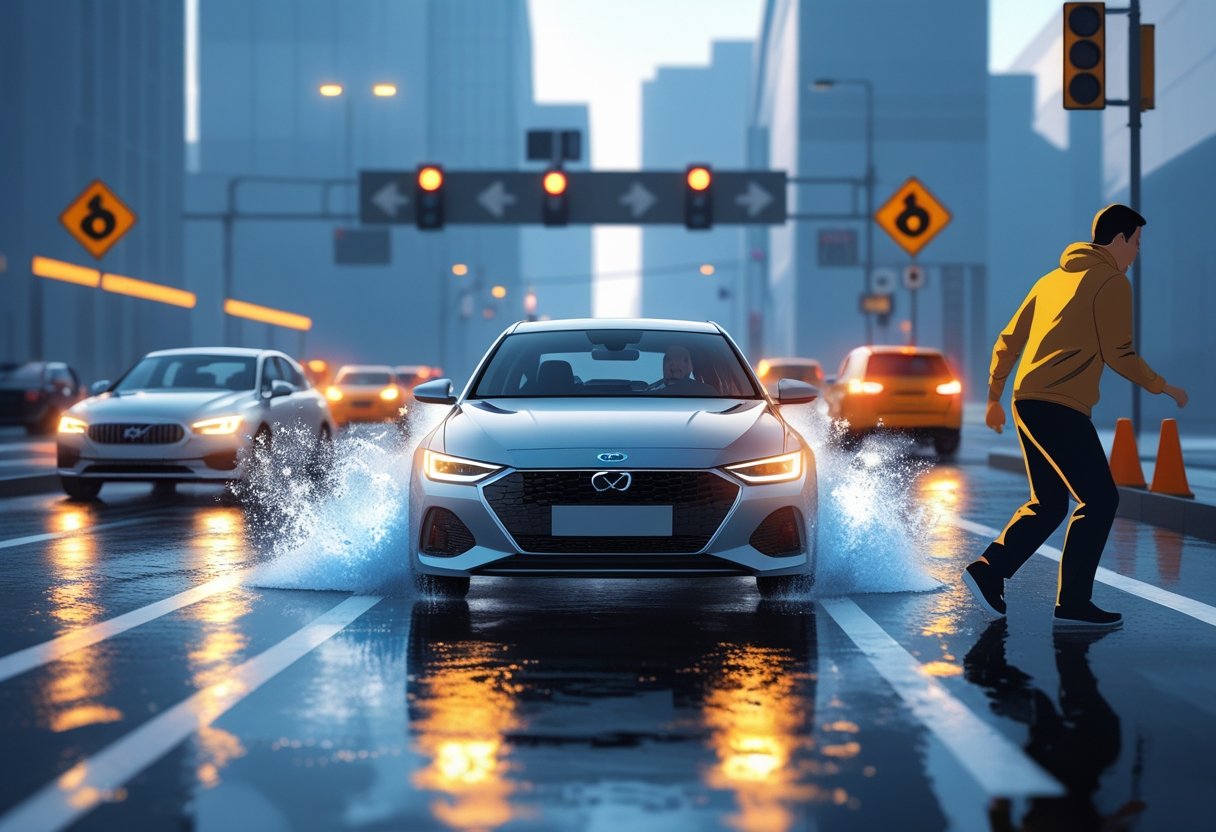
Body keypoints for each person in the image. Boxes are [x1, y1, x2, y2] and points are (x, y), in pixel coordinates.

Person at [964, 204, 1188, 629]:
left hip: (1026, 399)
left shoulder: (1051, 280)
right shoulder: (1111, 282)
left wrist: (995, 396)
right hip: (1059, 404)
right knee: (1101, 499)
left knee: (1049, 503)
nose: (1137, 253)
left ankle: (990, 571)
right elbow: (1118, 353)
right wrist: (1164, 386)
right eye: (1136, 243)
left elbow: (1008, 340)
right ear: (1119, 240)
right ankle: (1071, 604)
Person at [647, 345, 716, 394]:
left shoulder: (704, 391)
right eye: (668, 359)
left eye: (684, 360)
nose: (673, 365)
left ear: (690, 366)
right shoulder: (650, 388)